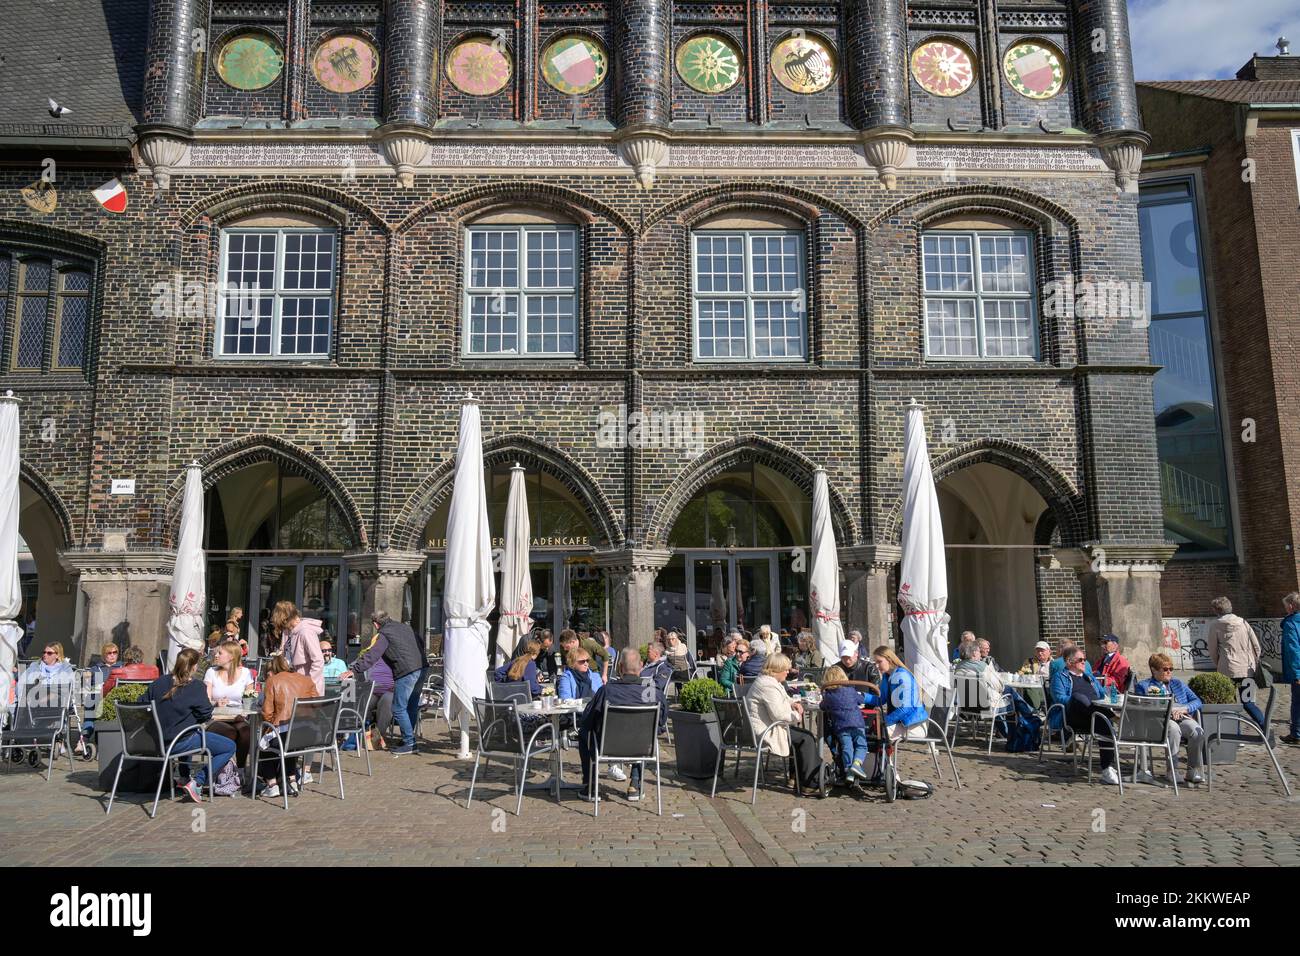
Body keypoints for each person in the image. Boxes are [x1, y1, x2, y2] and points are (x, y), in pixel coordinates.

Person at [139, 648, 235, 803]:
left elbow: (140, 705)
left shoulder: (158, 683)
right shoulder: (196, 687)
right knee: (229, 746)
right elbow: (205, 714)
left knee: (188, 730)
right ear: (195, 666)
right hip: (179, 742)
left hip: (155, 742)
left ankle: (184, 777)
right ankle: (197, 782)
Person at [341, 610, 427, 756]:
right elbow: (421, 643)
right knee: (411, 706)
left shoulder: (384, 634)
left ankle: (409, 742)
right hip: (422, 667)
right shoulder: (405, 627)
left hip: (406, 671)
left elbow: (372, 655)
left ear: (376, 624)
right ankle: (409, 739)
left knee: (398, 708)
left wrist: (354, 669)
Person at [578, 648, 653, 799]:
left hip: (608, 747)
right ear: (641, 666)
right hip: (641, 748)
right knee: (644, 733)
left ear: (619, 667)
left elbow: (587, 720)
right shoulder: (652, 693)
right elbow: (661, 723)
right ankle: (635, 784)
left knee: (584, 734)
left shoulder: (606, 691)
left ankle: (590, 785)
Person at [745, 653, 823, 790]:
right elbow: (779, 715)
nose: (788, 672)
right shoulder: (767, 686)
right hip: (766, 731)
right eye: (785, 669)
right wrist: (797, 716)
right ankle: (810, 783)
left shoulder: (769, 681)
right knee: (807, 738)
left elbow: (784, 698)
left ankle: (796, 777)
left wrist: (794, 703)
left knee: (803, 736)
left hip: (770, 726)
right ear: (776, 669)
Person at [1133, 653, 1206, 784]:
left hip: (1181, 716)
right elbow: (1141, 707)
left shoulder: (1177, 683)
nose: (1169, 672)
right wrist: (1168, 711)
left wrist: (1184, 709)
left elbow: (1197, 701)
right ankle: (1172, 770)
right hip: (1158, 721)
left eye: (1171, 669)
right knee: (1173, 728)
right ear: (1154, 670)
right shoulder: (1144, 686)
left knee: (1196, 731)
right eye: (1165, 669)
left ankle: (1192, 770)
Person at [1052, 646, 1118, 784]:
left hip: (1094, 716)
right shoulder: (1060, 676)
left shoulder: (1089, 676)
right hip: (1074, 716)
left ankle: (1107, 769)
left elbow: (1101, 695)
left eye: (1084, 659)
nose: (1084, 662)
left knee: (1104, 723)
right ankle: (1112, 716)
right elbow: (1059, 698)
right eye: (1080, 660)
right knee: (1078, 697)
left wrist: (1111, 694)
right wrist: (1081, 701)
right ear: (1069, 662)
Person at [258, 653, 318, 797]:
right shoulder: (306, 680)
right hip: (308, 734)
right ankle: (291, 780)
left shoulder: (273, 681)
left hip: (286, 734)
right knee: (289, 740)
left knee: (263, 745)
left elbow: (267, 714)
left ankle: (272, 784)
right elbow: (316, 705)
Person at [1206, 596, 1265, 728]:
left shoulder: (1215, 625)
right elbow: (1257, 647)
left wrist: (1219, 664)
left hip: (1226, 670)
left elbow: (1212, 650)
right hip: (1246, 670)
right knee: (1248, 702)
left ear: (1216, 610)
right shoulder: (1243, 622)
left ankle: (1235, 734)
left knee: (1230, 704)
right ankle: (1265, 727)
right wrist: (1253, 662)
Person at [203, 639, 254, 769]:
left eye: (220, 653)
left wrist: (246, 708)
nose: (216, 655)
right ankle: (224, 770)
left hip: (237, 717)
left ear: (231, 656)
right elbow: (205, 700)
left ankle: (241, 769)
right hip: (216, 718)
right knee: (229, 732)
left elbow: (251, 699)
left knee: (245, 731)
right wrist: (215, 703)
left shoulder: (245, 673)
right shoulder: (211, 672)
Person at [860, 647, 928, 743]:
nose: (877, 666)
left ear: (889, 659)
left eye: (879, 662)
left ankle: (880, 757)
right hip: (902, 723)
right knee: (871, 731)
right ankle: (882, 757)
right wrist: (861, 696)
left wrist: (885, 722)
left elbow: (905, 709)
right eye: (875, 663)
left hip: (913, 726)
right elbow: (881, 699)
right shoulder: (887, 676)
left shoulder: (902, 676)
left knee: (875, 734)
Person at [819, 664, 867, 780]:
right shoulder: (850, 690)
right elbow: (861, 700)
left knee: (847, 746)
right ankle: (856, 764)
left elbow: (822, 706)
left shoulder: (828, 695)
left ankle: (847, 769)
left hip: (841, 727)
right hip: (857, 724)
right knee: (861, 745)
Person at [351, 631, 393, 750]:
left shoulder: (395, 656)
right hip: (372, 690)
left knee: (387, 702)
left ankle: (377, 738)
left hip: (390, 690)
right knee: (364, 703)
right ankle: (358, 735)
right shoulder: (369, 655)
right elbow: (354, 665)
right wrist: (352, 671)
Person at [273, 600, 325, 696]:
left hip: (309, 690)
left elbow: (318, 661)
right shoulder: (288, 632)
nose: (283, 627)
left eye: (283, 623)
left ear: (286, 619)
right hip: (296, 685)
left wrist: (309, 685)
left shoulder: (306, 632)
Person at [641, 642, 673, 733]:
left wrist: (639, 681)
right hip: (638, 694)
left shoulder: (663, 668)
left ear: (656, 653)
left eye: (648, 651)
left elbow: (658, 685)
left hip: (648, 700)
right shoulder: (647, 665)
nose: (646, 653)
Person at [1282, 592, 1300, 745]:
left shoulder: (1291, 623)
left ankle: (1296, 734)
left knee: (1297, 703)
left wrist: (1297, 673)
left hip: (1299, 670)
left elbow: (1293, 650)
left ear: (1291, 606)